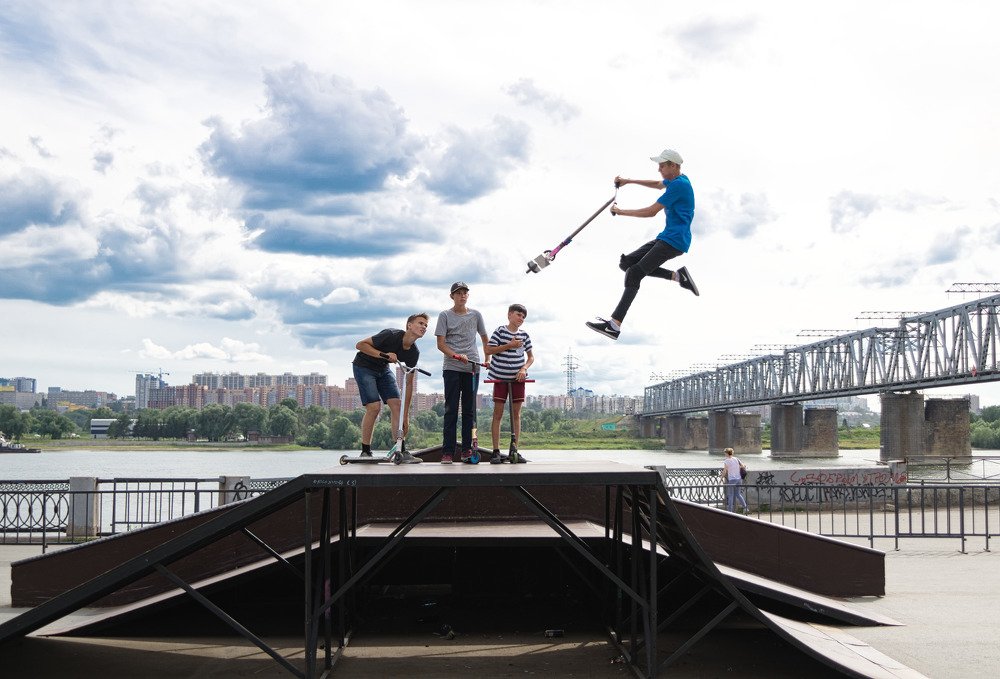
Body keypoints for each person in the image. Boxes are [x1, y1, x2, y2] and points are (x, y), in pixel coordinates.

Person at [586, 148, 699, 341]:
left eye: (662, 166)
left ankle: (614, 325)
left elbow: (651, 211)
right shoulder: (677, 180)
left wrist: (621, 212)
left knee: (635, 273)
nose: (659, 169)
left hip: (675, 241)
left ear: (674, 165)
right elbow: (657, 184)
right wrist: (628, 181)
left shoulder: (679, 186)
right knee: (626, 263)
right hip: (666, 237)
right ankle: (678, 277)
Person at [351, 313, 429, 463]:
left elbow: (409, 383)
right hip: (364, 366)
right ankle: (365, 451)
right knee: (374, 407)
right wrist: (384, 355)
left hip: (383, 369)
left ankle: (401, 450)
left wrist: (405, 415)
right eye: (420, 323)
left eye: (425, 325)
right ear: (409, 325)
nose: (423, 327)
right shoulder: (391, 335)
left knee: (397, 407)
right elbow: (360, 345)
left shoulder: (414, 352)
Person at [435, 281, 489, 464]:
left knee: (469, 411)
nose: (462, 296)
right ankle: (448, 452)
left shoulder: (476, 315)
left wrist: (487, 359)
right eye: (458, 293)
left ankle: (467, 450)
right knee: (451, 410)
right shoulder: (445, 315)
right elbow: (440, 344)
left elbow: (484, 338)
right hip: (452, 367)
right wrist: (456, 356)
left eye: (465, 292)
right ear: (452, 296)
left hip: (472, 367)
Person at [484, 303, 534, 463]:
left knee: (516, 415)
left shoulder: (525, 335)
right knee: (498, 414)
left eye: (523, 317)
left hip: (517, 379)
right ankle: (496, 451)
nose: (521, 318)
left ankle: (514, 449)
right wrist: (509, 345)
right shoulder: (500, 331)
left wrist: (524, 369)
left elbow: (531, 357)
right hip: (500, 378)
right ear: (510, 315)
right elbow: (488, 350)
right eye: (519, 315)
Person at [721, 447, 749, 513]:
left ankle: (729, 511)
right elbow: (743, 466)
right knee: (738, 494)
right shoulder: (736, 459)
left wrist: (721, 478)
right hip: (739, 479)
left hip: (732, 480)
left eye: (725, 453)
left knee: (730, 495)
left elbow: (725, 471)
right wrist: (736, 467)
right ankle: (745, 508)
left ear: (727, 453)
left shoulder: (726, 461)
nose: (725, 454)